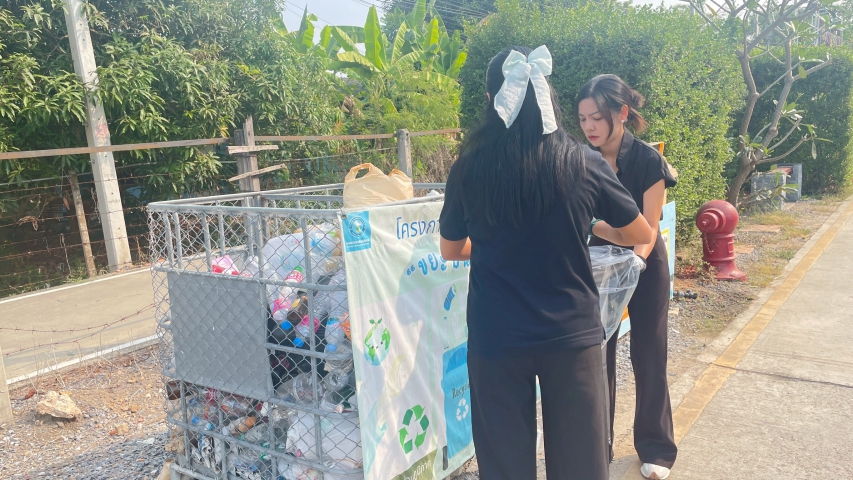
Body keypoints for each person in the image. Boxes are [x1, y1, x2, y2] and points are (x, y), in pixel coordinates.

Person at [439, 46, 654, 480]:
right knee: (581, 463)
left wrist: (498, 247)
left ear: (491, 99)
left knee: (504, 465)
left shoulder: (469, 168)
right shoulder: (583, 161)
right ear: (546, 97)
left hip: (496, 336)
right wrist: (587, 229)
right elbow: (641, 234)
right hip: (571, 334)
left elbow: (451, 249)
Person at [576, 74, 678, 480]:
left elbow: (648, 230)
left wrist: (633, 263)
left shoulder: (649, 160)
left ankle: (657, 448)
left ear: (621, 113)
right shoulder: (581, 160)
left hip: (644, 265)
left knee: (649, 355)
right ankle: (595, 448)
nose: (589, 127)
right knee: (595, 359)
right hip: (598, 268)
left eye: (597, 117)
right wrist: (600, 234)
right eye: (583, 119)